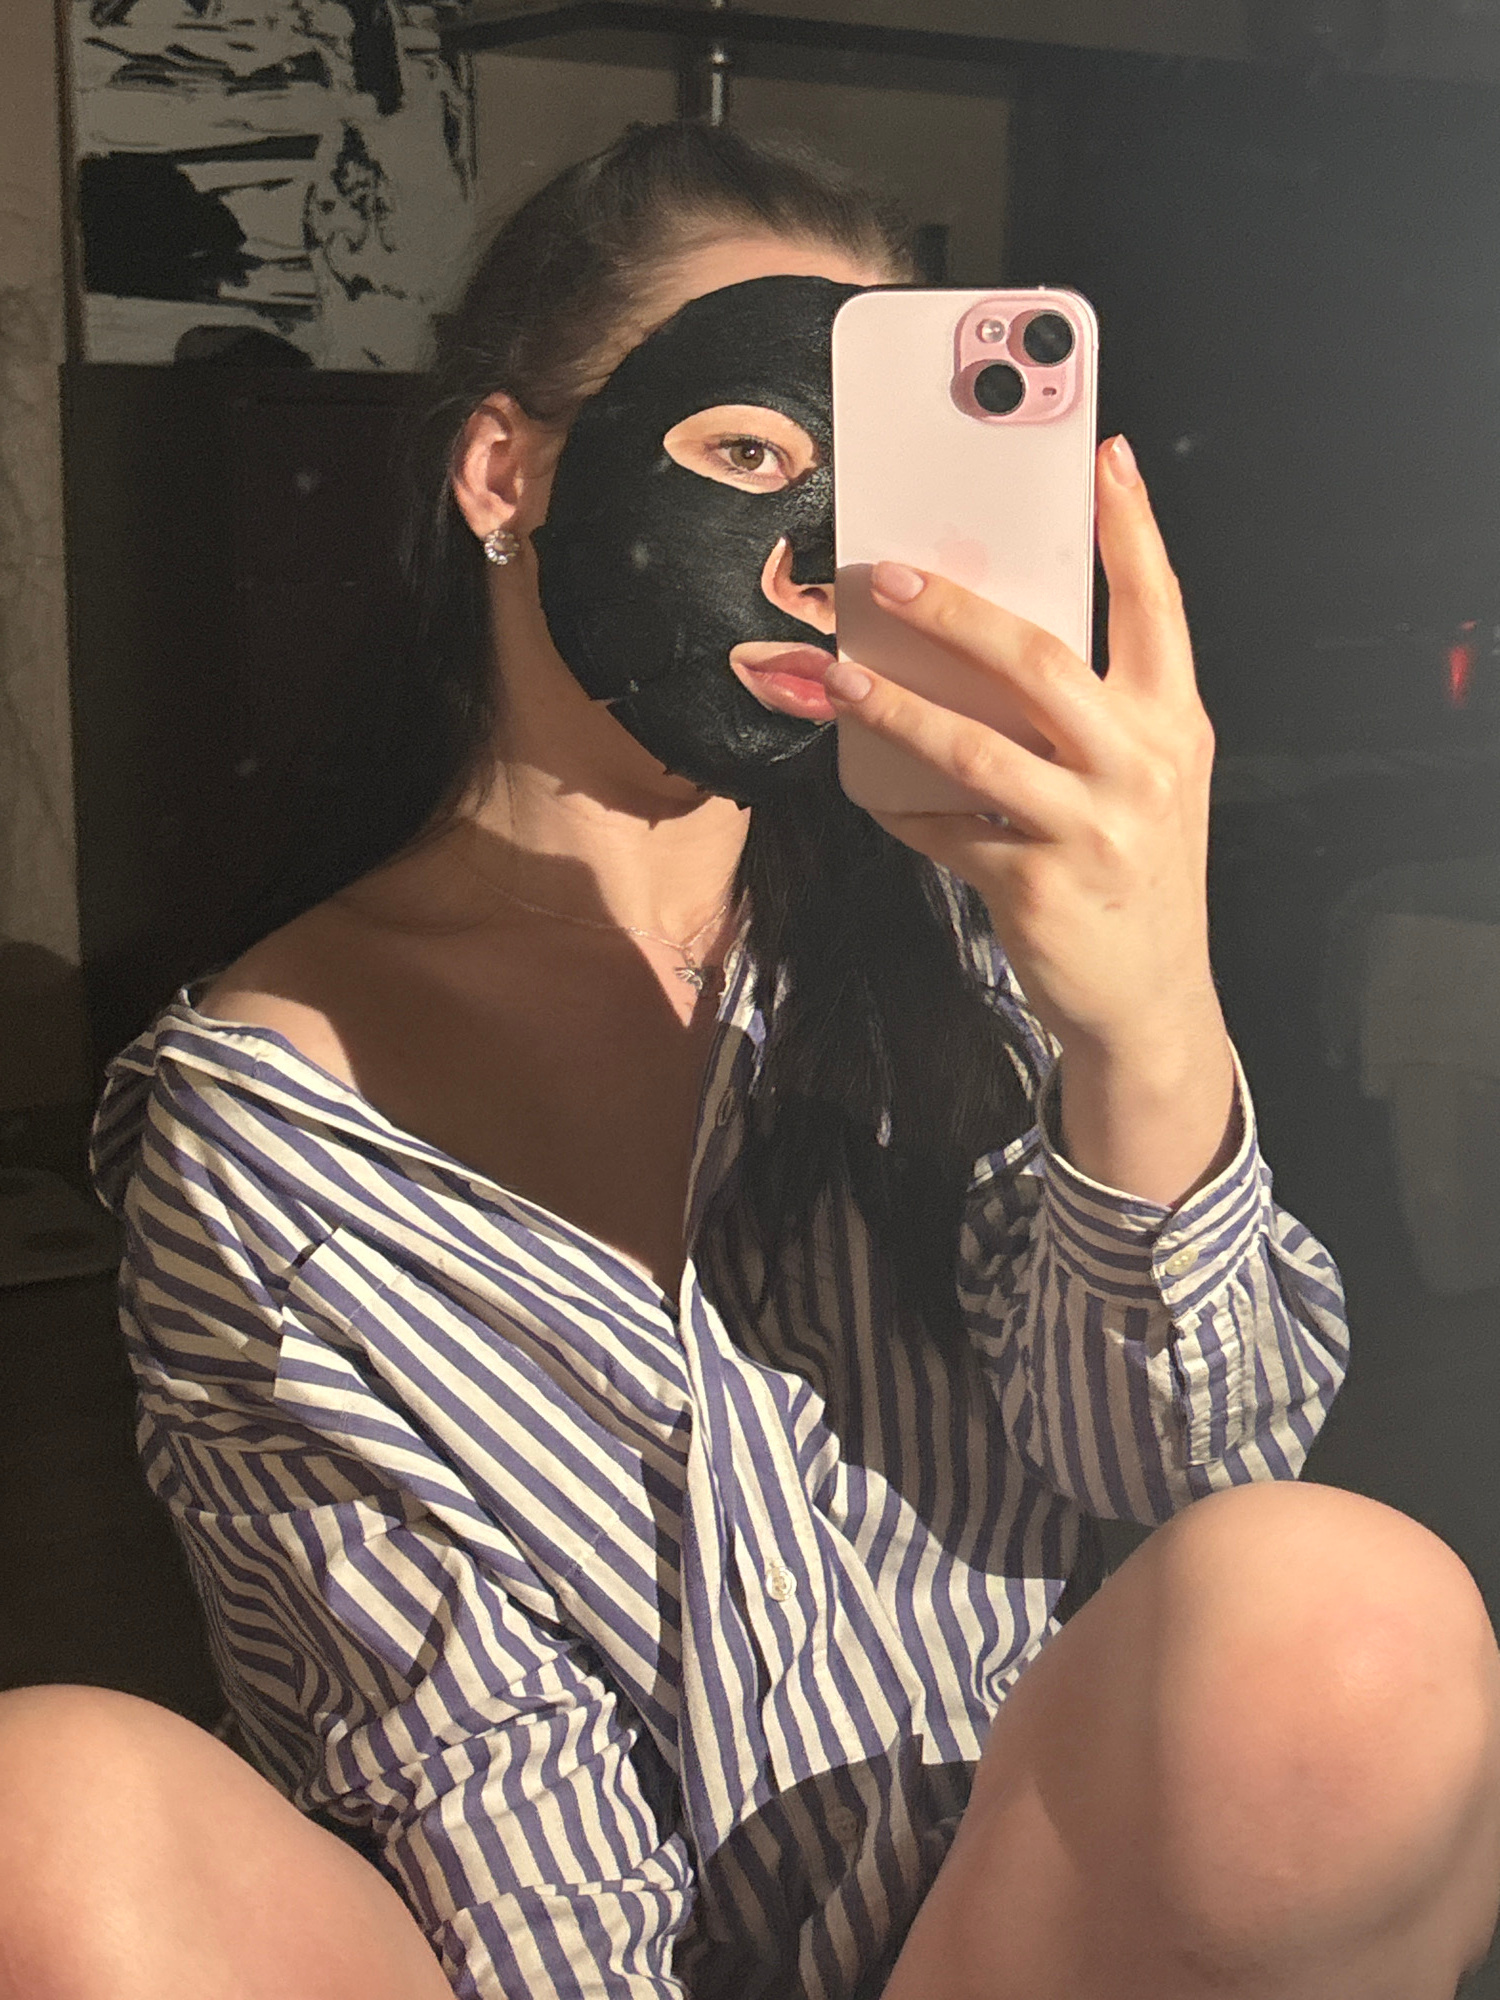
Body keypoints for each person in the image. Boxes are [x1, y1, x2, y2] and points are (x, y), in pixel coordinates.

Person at [2, 121, 1496, 2000]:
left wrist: (1146, 1021)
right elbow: (465, 1774)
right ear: (504, 471)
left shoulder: (962, 929)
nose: (823, 559)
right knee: (47, 1814)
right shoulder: (270, 1129)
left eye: (881, 490)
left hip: (1032, 1917)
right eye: (748, 456)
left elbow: (1186, 1460)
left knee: (1344, 1615)